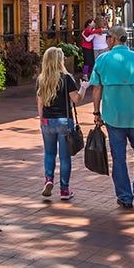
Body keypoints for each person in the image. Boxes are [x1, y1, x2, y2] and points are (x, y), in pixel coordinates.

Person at [89, 25, 134, 209]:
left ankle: (124, 196)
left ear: (113, 39)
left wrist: (96, 112)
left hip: (113, 116)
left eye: (107, 38)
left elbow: (97, 89)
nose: (106, 41)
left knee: (118, 156)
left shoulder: (103, 60)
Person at [36, 47, 81, 202]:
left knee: (49, 153)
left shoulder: (42, 79)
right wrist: (84, 88)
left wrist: (42, 120)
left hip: (47, 121)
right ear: (59, 61)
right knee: (64, 157)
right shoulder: (66, 78)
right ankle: (64, 189)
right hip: (64, 120)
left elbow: (40, 103)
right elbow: (76, 99)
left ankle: (48, 179)